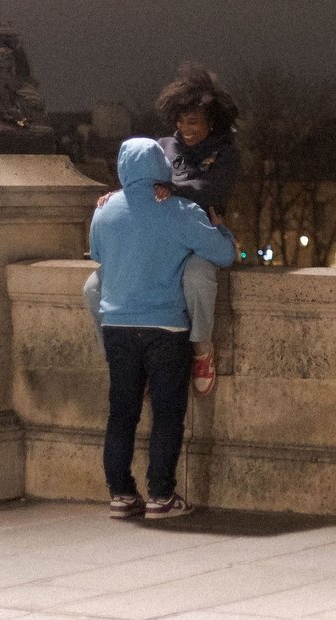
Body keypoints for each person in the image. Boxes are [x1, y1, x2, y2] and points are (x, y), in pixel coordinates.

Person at [88, 135, 236, 521]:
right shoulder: (178, 209)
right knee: (168, 415)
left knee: (121, 413)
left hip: (117, 325)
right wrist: (221, 229)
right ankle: (161, 494)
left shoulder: (103, 211)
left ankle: (120, 493)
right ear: (161, 167)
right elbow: (223, 255)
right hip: (165, 326)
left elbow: (99, 256)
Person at [151, 64, 242, 395]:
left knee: (197, 276)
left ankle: (202, 350)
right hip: (165, 234)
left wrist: (174, 188)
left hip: (203, 233)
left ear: (211, 123)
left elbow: (211, 190)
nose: (184, 128)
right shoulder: (164, 146)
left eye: (193, 122)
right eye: (181, 120)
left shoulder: (227, 155)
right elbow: (141, 182)